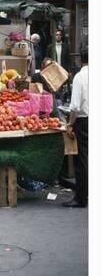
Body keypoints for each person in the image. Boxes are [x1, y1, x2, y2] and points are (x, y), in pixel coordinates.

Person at [63, 46, 88, 208]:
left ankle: (81, 197)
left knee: (83, 160)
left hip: (84, 122)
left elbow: (75, 107)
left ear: (81, 59)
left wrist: (70, 124)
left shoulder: (80, 77)